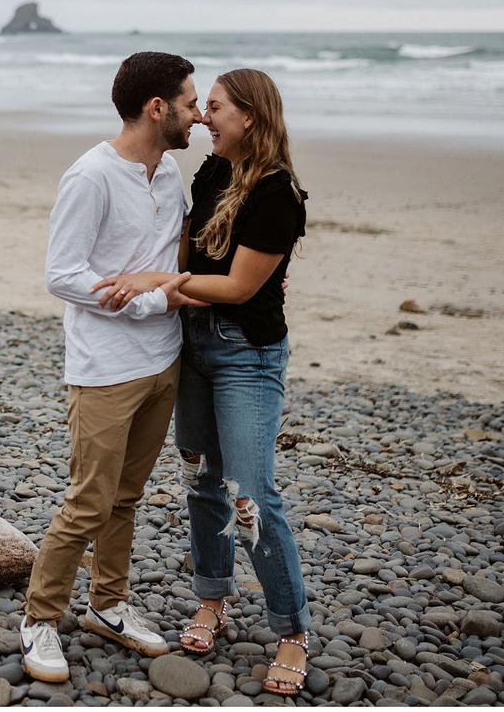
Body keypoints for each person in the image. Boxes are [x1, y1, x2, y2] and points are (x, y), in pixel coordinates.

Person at [93, 67, 312, 697]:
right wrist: (153, 281)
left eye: (214, 108)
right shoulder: (213, 173)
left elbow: (240, 287)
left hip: (247, 356)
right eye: (202, 107)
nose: (203, 118)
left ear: (250, 117)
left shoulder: (279, 193)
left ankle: (292, 630)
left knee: (252, 494)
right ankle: (212, 600)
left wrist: (155, 284)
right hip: (194, 347)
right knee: (201, 482)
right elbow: (187, 258)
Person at [21, 51, 207, 684]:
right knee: (88, 501)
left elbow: (173, 258)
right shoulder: (90, 177)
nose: (197, 113)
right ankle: (39, 619)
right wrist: (155, 298)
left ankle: (108, 605)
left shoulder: (172, 173)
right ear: (157, 108)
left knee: (126, 498)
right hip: (105, 367)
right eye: (188, 101)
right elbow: (62, 276)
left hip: (164, 360)